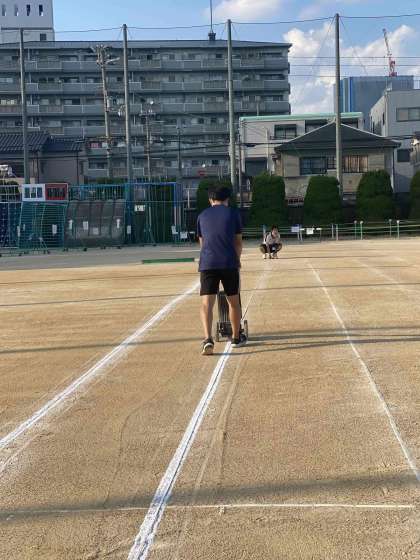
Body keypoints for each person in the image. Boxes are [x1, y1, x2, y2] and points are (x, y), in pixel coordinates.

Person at [197, 185, 247, 355]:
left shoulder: (202, 215)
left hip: (208, 263)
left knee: (207, 304)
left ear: (210, 200)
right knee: (233, 302)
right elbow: (238, 242)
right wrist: (237, 260)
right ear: (227, 199)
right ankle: (236, 337)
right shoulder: (233, 214)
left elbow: (202, 243)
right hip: (228, 262)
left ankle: (207, 339)